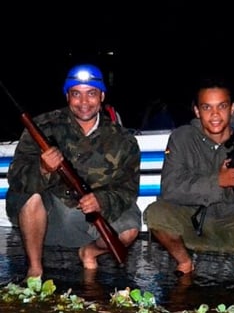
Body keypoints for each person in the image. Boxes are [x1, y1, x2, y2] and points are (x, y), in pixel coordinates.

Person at [6, 63, 141, 279]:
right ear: (67, 96)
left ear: (102, 96)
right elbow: (16, 178)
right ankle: (35, 270)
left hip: (89, 223)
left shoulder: (124, 140)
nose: (84, 102)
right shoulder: (43, 126)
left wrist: (101, 200)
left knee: (129, 230)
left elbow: (128, 190)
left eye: (91, 94)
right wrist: (43, 169)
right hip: (48, 221)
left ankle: (89, 252)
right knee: (29, 196)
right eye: (76, 94)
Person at [143, 78, 234, 276]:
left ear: (232, 108)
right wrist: (217, 182)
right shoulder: (182, 138)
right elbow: (170, 188)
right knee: (156, 213)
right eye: (207, 107)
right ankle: (184, 263)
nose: (215, 114)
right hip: (191, 220)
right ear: (197, 111)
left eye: (222, 106)